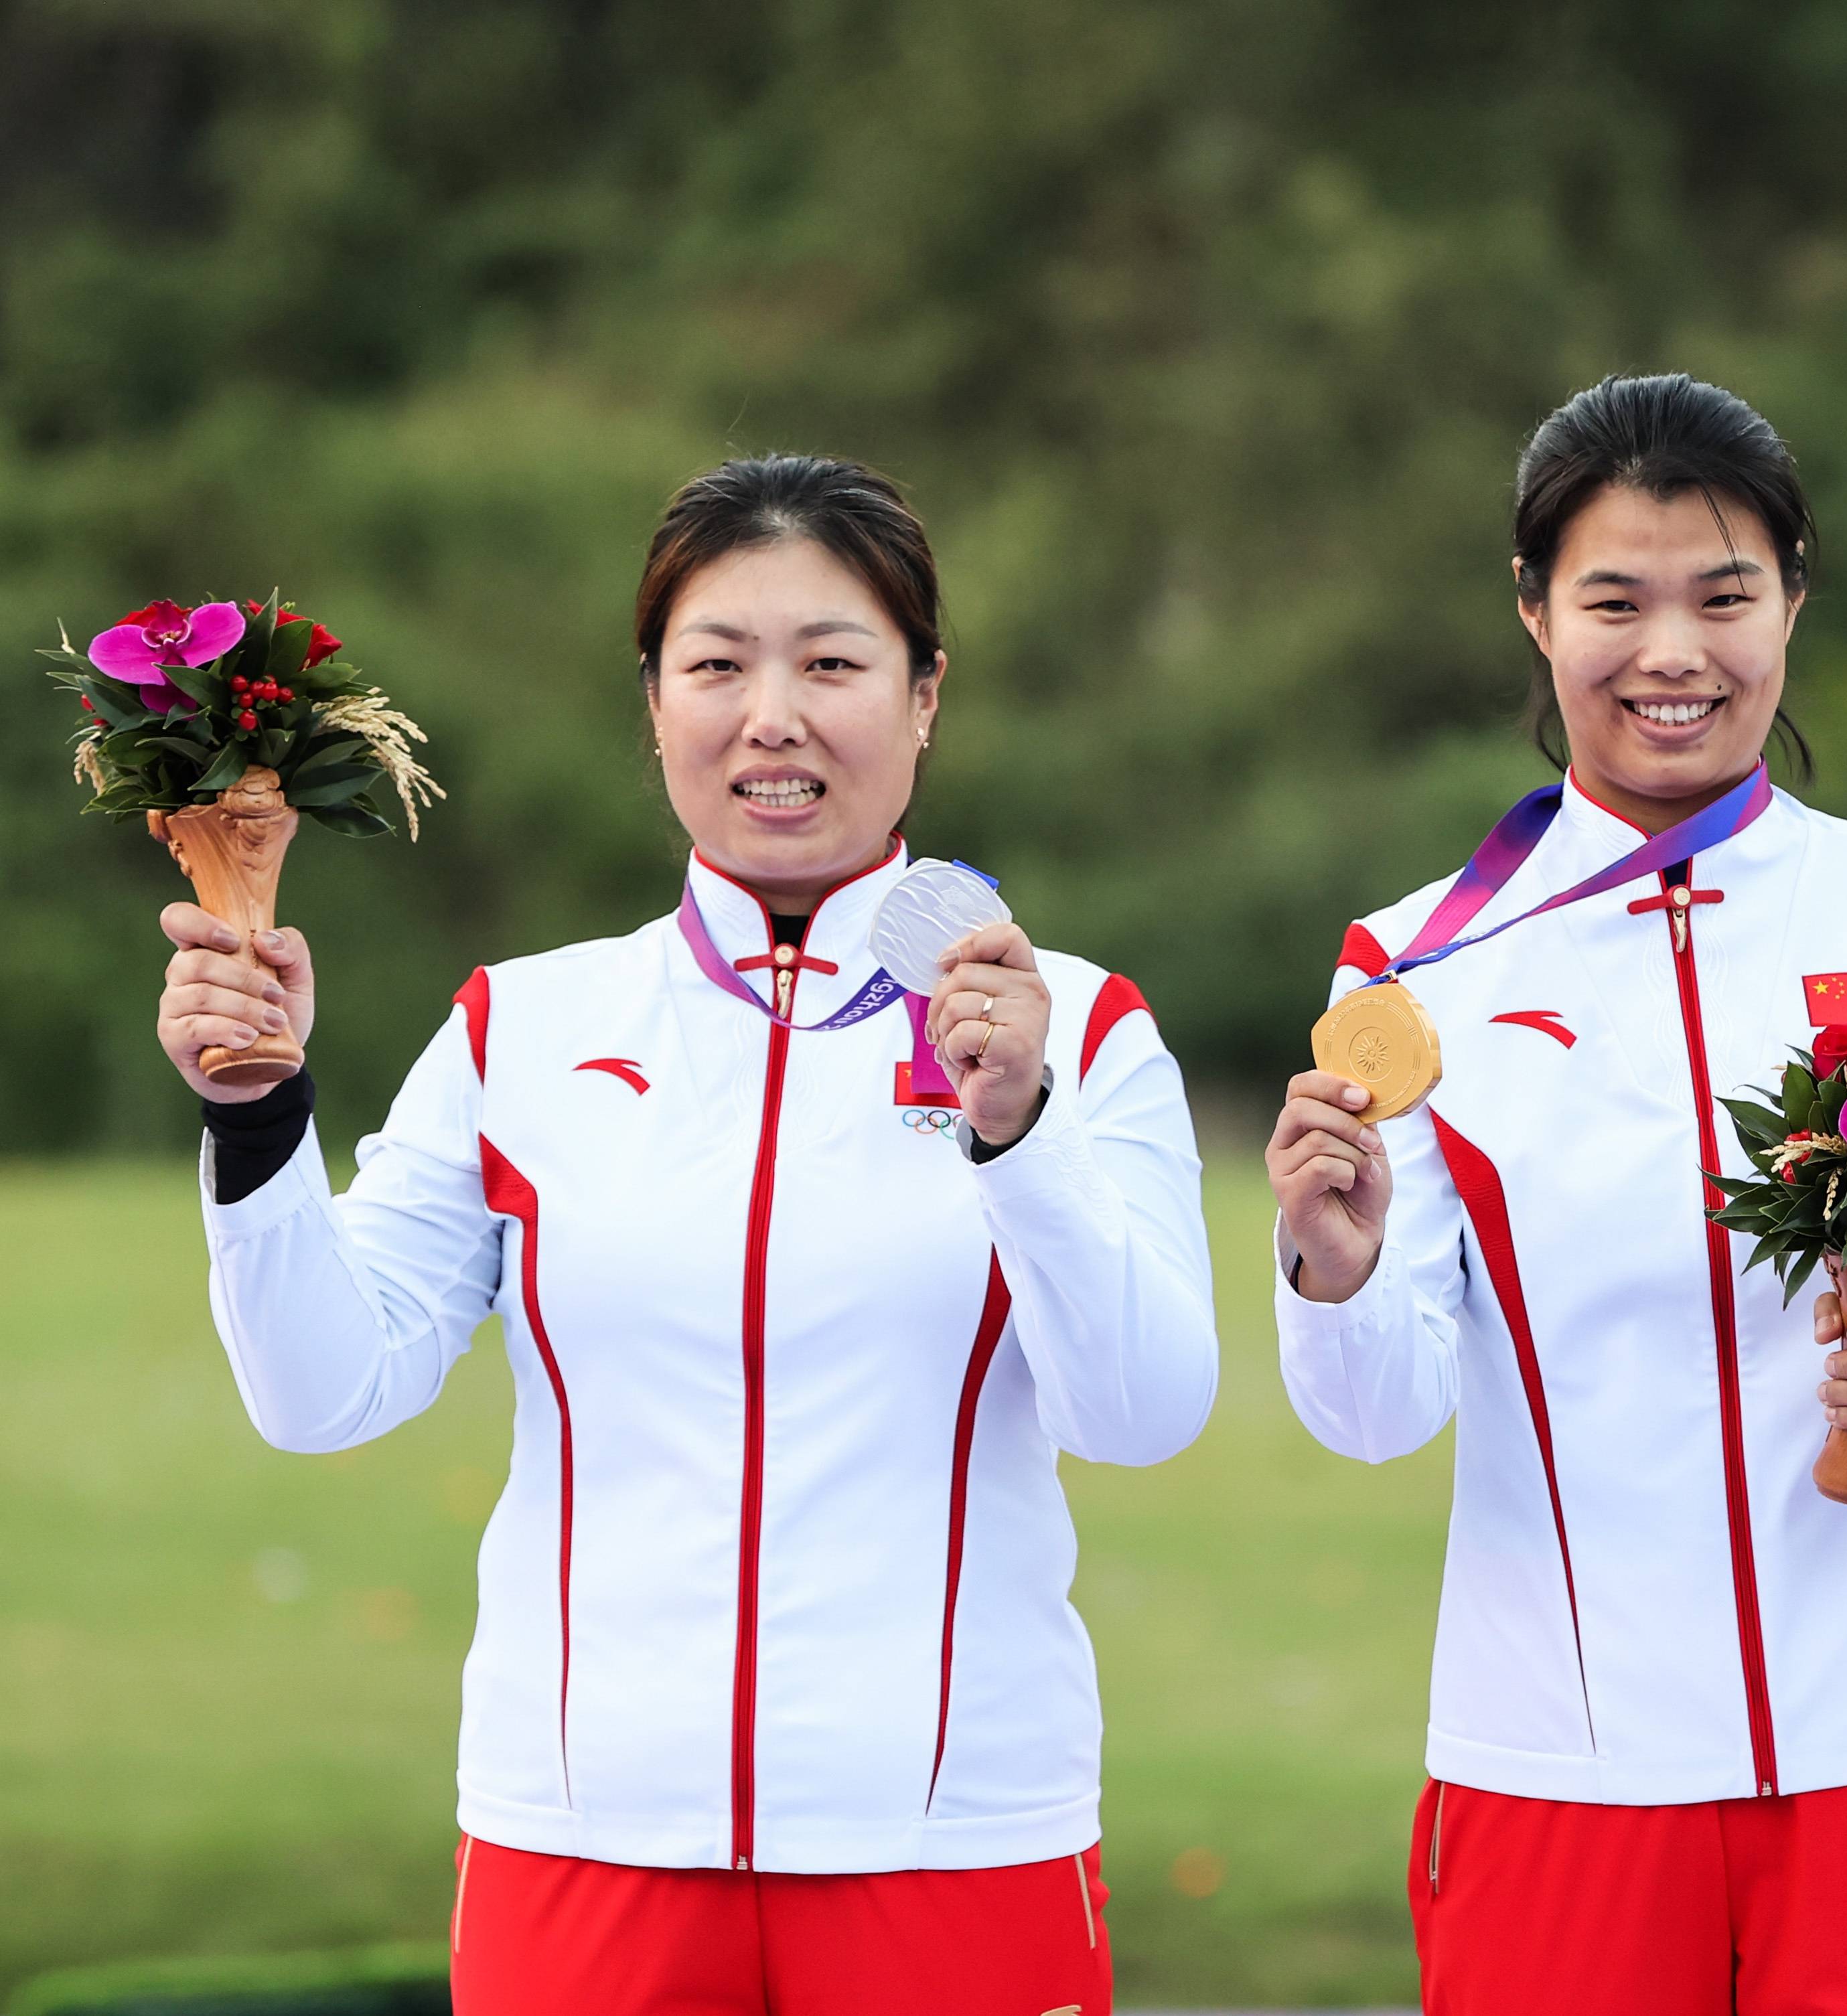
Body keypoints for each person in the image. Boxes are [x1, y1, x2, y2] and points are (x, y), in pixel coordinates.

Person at [158, 455, 1217, 2015]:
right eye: (715, 664)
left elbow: (1141, 1416)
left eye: (833, 663)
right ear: (652, 703)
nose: (770, 716)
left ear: (925, 697)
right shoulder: (524, 1025)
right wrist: (259, 1118)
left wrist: (1021, 1128)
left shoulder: (1083, 1027)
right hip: (580, 1855)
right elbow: (324, 1396)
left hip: (955, 1847)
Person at [1264, 375, 1847, 2014]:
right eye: (1612, 601)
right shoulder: (1411, 966)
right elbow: (1373, 1417)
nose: (1674, 654)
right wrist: (1332, 1273)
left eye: (1725, 595)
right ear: (1531, 610)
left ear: (1794, 594)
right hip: (1556, 1782)